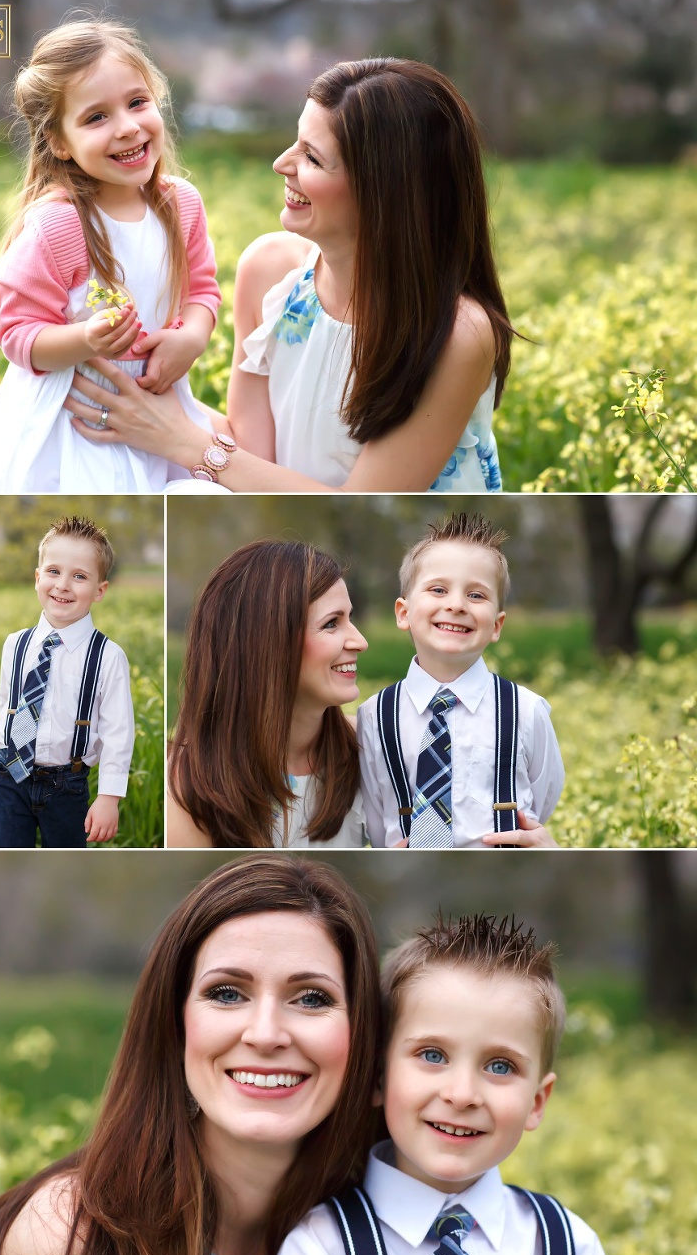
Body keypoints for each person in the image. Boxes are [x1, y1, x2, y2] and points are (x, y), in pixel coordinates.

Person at [0, 854, 382, 1255]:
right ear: (176, 1022)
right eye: (227, 993)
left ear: (362, 1035)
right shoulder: (70, 1244)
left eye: (312, 998)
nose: (267, 1034)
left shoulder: (382, 1236)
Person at [66, 58, 513, 494]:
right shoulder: (271, 273)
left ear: (387, 194)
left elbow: (360, 504)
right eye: (296, 142)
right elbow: (255, 459)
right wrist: (130, 387)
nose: (282, 163)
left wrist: (180, 438)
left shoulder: (458, 334)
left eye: (312, 158)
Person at [250, 912, 645, 1255]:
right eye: (432, 1055)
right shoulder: (321, 1248)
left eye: (500, 1066)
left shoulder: (566, 1244)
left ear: (538, 1101)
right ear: (377, 1077)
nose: (462, 1095)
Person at [0, 18, 225, 495]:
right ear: (59, 142)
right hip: (75, 422)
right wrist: (86, 339)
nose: (126, 127)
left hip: (157, 407)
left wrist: (193, 337)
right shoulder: (59, 224)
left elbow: (201, 290)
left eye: (137, 102)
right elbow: (17, 335)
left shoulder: (182, 204)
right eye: (96, 117)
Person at [357, 512, 564, 848]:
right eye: (438, 589)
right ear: (403, 612)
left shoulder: (526, 711)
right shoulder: (374, 716)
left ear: (496, 625)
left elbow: (544, 797)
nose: (456, 605)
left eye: (476, 595)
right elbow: (377, 813)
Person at [167, 539, 368, 847]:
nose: (360, 641)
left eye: (349, 618)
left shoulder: (369, 747)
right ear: (268, 642)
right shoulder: (183, 784)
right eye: (331, 623)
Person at [0, 515, 134, 848]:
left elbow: (118, 732)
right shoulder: (16, 643)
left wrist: (109, 797)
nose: (63, 585)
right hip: (9, 775)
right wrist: (1, 748)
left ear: (100, 590)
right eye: (53, 571)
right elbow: (7, 701)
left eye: (79, 576)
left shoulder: (108, 656)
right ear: (38, 577)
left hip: (65, 785)